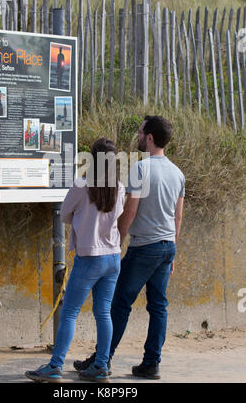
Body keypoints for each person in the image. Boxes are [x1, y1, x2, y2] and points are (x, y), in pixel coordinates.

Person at [74, 115, 185, 380]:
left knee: (119, 304)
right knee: (158, 306)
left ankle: (103, 360)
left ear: (149, 138)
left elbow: (131, 211)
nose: (137, 135)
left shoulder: (141, 169)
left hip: (144, 247)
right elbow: (178, 216)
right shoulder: (177, 172)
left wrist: (116, 242)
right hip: (167, 245)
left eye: (140, 132)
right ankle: (151, 363)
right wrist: (173, 248)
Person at [25, 137, 125, 383]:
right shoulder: (120, 187)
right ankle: (101, 365)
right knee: (103, 312)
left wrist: (83, 220)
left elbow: (65, 214)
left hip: (90, 257)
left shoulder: (82, 186)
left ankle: (55, 365)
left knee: (69, 312)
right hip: (113, 257)